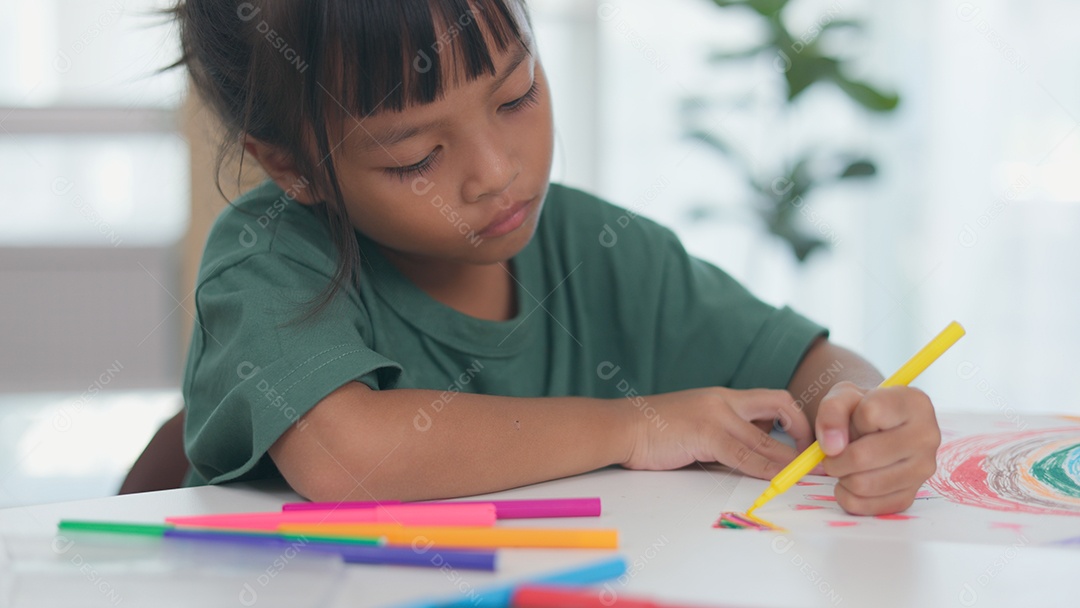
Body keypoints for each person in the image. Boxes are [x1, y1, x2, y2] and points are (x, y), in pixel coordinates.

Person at [173, 0, 940, 515]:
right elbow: (348, 456)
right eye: (415, 157)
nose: (497, 171)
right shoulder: (268, 260)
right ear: (292, 167)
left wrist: (866, 415)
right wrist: (636, 427)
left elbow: (812, 364)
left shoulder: (601, 250)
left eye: (516, 97)